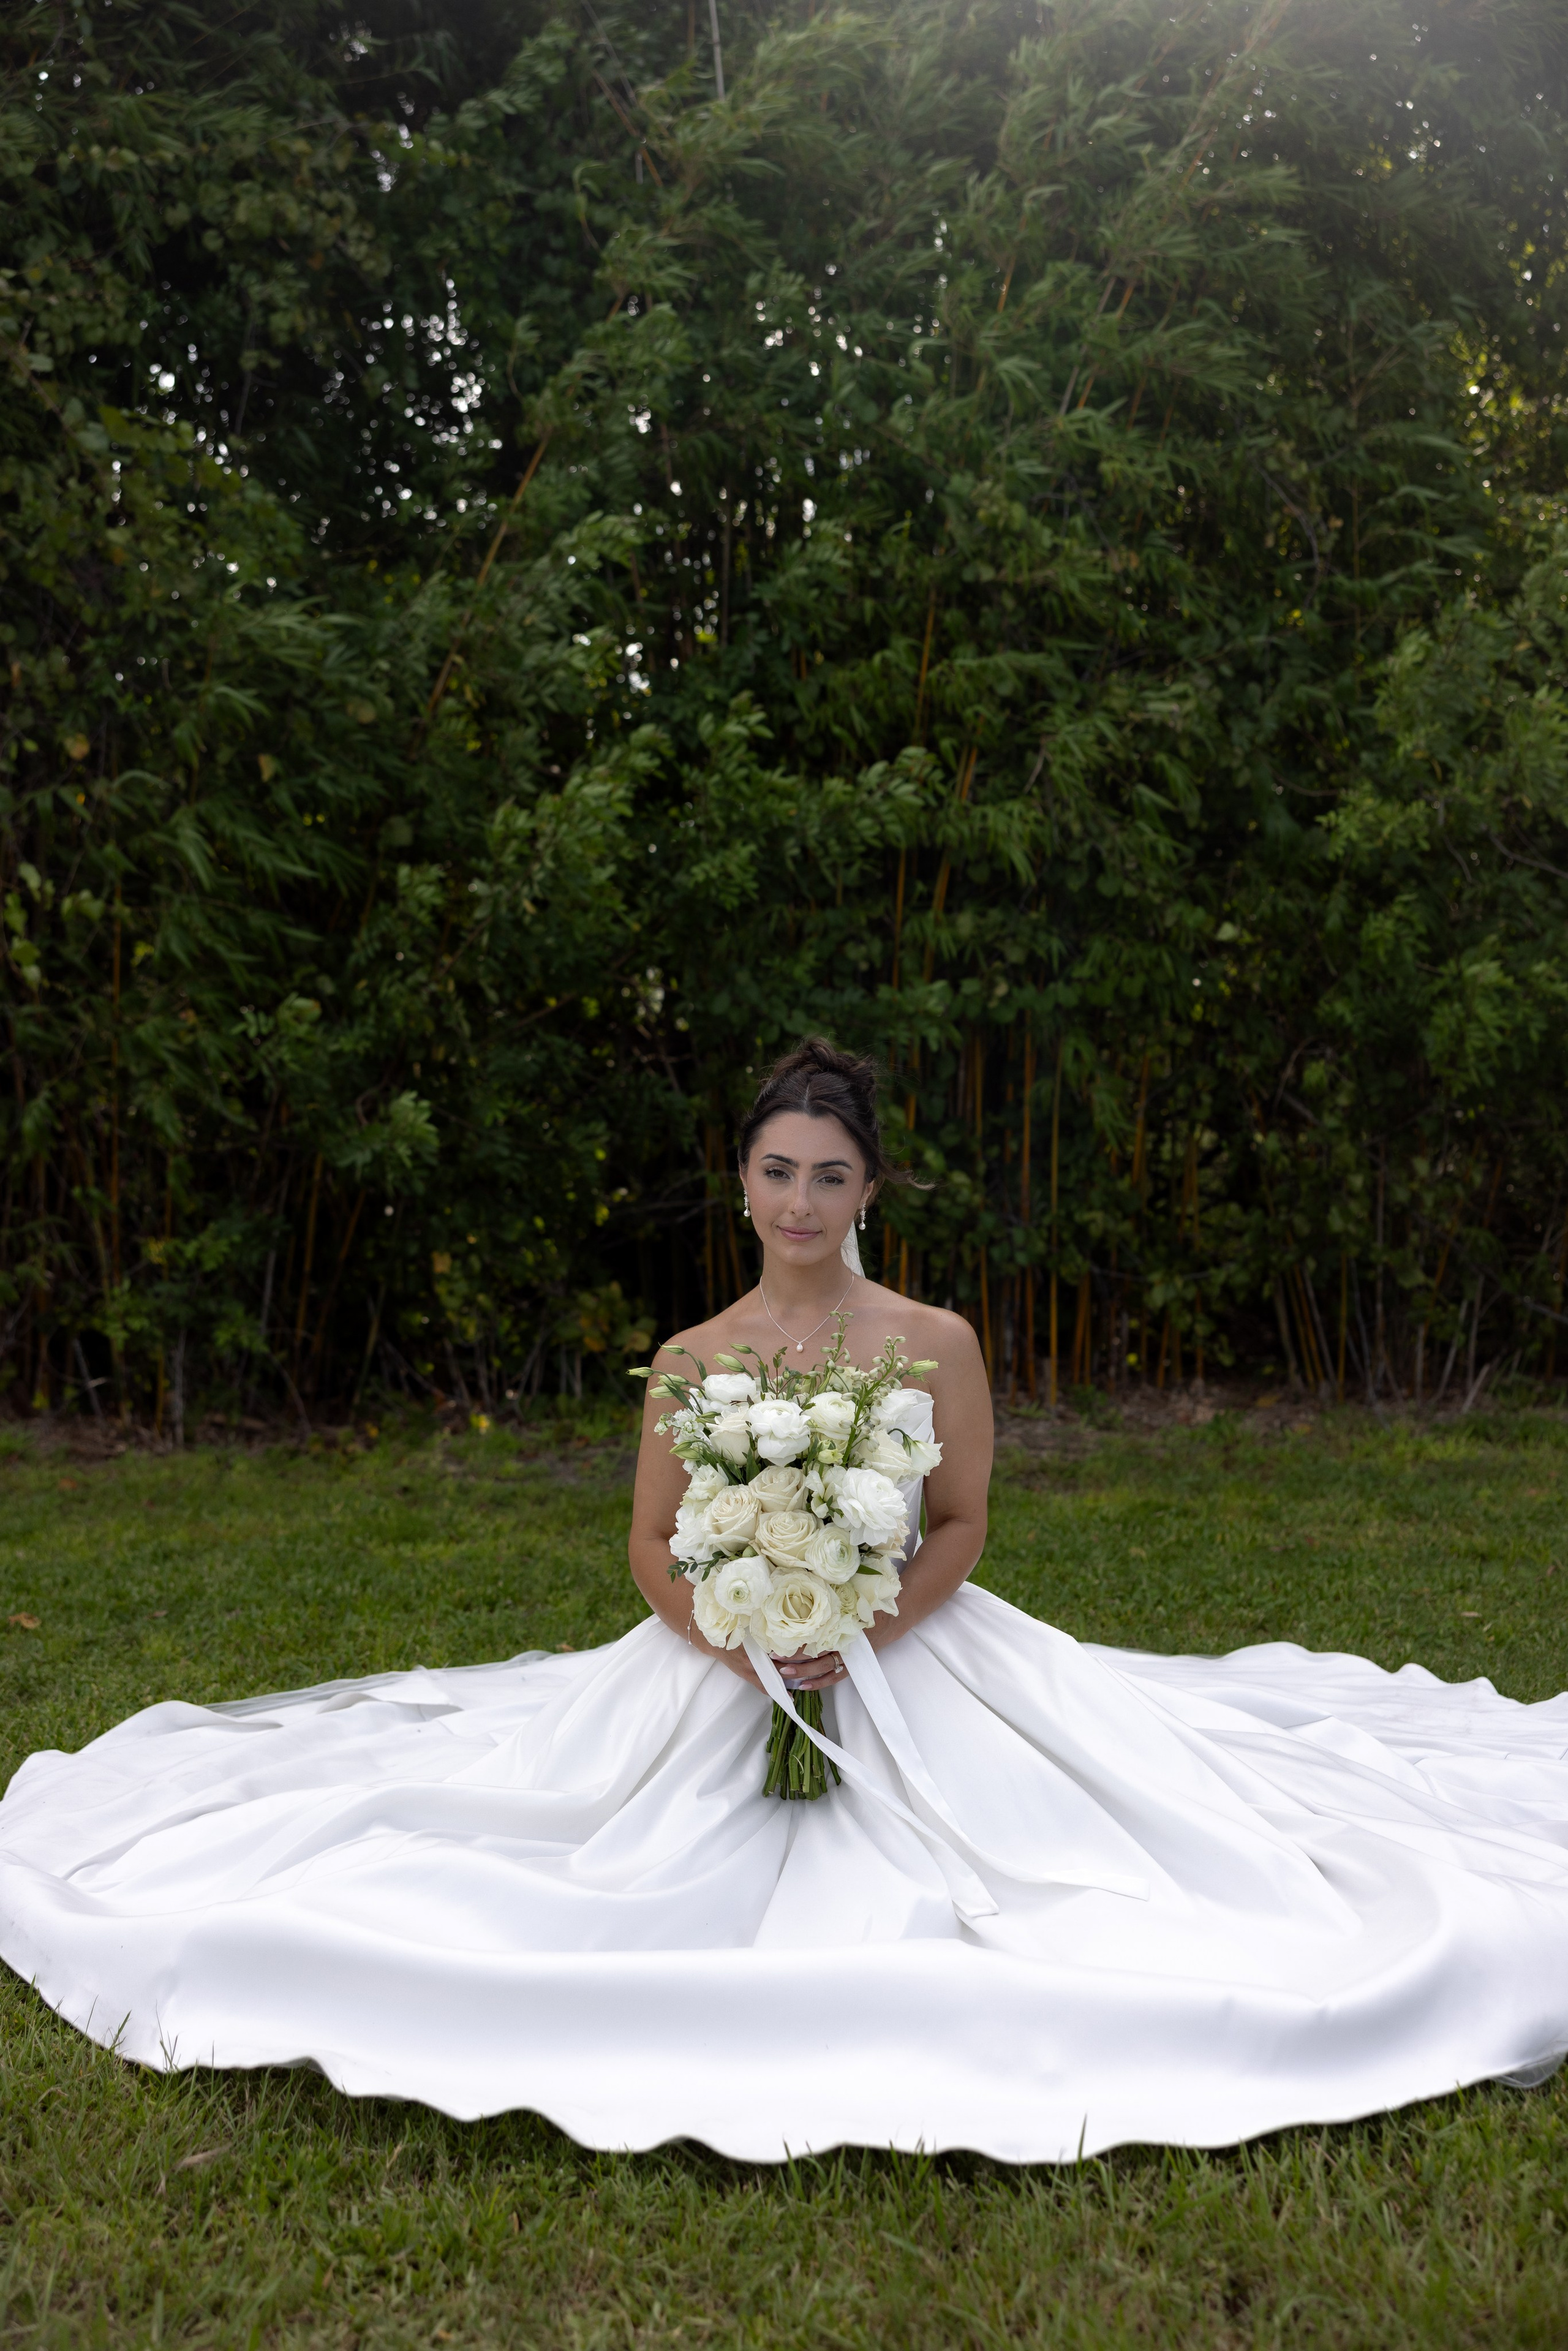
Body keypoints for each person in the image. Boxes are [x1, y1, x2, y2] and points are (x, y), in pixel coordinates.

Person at [1, 1039, 1566, 2164]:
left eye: (829, 1174)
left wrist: (862, 1623)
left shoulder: (933, 1336)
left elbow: (957, 1519)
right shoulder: (693, 1355)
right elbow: (651, 1547)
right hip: (722, 1656)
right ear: (739, 1179)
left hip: (912, 1650)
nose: (798, 1199)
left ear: (868, 1183)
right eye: (774, 1170)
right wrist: (738, 1630)